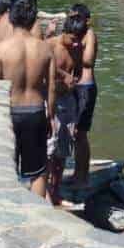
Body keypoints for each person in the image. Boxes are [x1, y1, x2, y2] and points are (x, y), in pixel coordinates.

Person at [0, 0, 56, 198]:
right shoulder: (45, 49)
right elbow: (51, 88)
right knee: (38, 174)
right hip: (35, 112)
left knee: (5, 170)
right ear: (34, 20)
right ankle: (37, 216)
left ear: (11, 20)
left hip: (10, 112)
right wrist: (50, 116)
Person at [46, 14, 85, 205]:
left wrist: (74, 79)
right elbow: (44, 67)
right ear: (65, 33)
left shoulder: (77, 48)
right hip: (53, 100)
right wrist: (63, 75)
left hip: (69, 101)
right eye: (73, 39)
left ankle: (56, 190)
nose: (76, 44)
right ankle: (45, 190)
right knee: (49, 149)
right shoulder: (51, 45)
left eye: (79, 40)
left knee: (63, 150)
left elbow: (76, 71)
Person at [70, 3, 98, 187]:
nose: (73, 22)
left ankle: (83, 176)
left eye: (76, 18)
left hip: (86, 88)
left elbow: (88, 61)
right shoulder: (72, 34)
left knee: (81, 133)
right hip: (73, 87)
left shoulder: (90, 35)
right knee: (72, 132)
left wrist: (75, 47)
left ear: (86, 20)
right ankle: (76, 173)